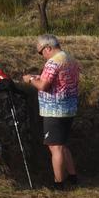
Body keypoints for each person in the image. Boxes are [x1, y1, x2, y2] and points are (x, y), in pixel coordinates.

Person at [24, 33, 80, 188]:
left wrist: (30, 79)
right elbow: (59, 79)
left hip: (55, 110)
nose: (42, 56)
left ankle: (59, 183)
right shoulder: (69, 58)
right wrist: (38, 77)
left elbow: (43, 85)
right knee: (62, 144)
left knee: (55, 147)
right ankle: (72, 177)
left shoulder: (53, 62)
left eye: (41, 52)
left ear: (47, 48)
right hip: (69, 108)